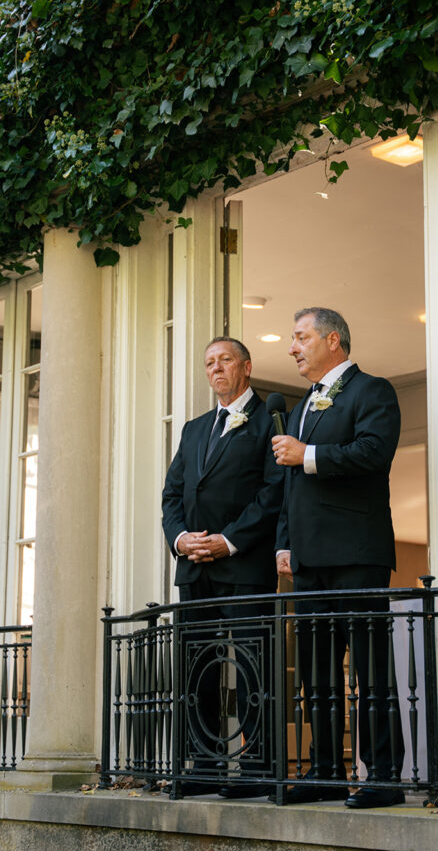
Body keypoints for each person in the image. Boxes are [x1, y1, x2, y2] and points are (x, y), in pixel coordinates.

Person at [273, 307, 404, 808]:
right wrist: (284, 542)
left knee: (371, 671)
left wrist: (307, 454)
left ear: (333, 340)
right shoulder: (303, 405)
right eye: (292, 339)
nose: (292, 348)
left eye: (300, 337)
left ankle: (384, 776)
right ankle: (326, 771)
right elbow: (289, 485)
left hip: (356, 552)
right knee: (318, 674)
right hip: (308, 559)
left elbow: (373, 452)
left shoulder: (373, 390)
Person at [162, 336, 283, 798]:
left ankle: (259, 764)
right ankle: (205, 764)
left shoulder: (270, 421)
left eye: (225, 360)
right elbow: (172, 495)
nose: (215, 368)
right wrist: (181, 539)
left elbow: (272, 493)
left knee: (253, 666)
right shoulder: (194, 429)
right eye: (209, 362)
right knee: (199, 670)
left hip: (244, 565)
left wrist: (227, 541)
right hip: (194, 567)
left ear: (246, 367)